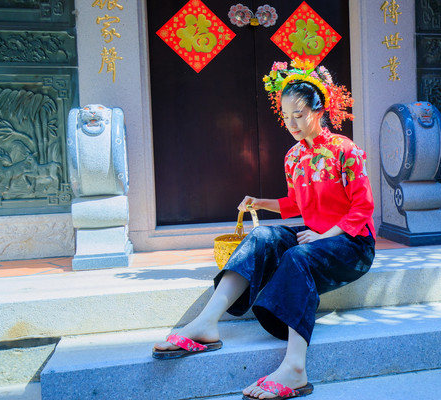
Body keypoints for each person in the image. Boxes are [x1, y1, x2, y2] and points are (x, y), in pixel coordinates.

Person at [152, 58, 376, 400]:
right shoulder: (293, 158)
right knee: (261, 236)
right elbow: (296, 205)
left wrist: (323, 236)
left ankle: (296, 367)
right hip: (313, 236)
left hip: (352, 243)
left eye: (299, 114)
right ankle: (206, 323)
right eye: (286, 117)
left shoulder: (347, 151)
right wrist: (260, 203)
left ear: (319, 109)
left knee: (299, 255)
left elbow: (363, 209)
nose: (292, 124)